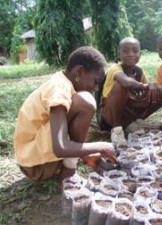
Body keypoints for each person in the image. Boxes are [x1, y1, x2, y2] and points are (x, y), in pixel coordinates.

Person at [14, 46, 117, 183]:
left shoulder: (62, 81)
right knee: (85, 101)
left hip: (33, 159)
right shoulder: (59, 89)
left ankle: (67, 165)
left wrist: (86, 155)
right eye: (96, 81)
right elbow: (60, 147)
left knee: (82, 101)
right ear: (78, 71)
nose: (96, 88)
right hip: (35, 166)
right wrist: (101, 146)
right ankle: (68, 172)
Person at [99, 37, 162, 144]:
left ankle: (134, 123)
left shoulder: (139, 71)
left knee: (161, 90)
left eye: (135, 51)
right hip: (110, 116)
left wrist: (152, 86)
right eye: (125, 51)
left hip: (129, 113)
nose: (131, 54)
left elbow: (148, 91)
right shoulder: (115, 68)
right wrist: (146, 86)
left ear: (140, 53)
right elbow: (125, 82)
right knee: (120, 86)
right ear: (119, 54)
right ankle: (117, 130)